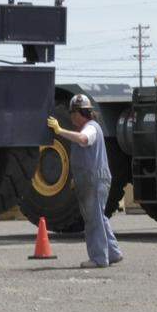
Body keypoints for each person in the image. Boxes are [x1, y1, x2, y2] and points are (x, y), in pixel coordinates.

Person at [47, 94, 123, 268]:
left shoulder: (91, 128)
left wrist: (59, 131)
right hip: (91, 179)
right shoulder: (87, 128)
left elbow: (83, 140)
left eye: (73, 113)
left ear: (80, 113)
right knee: (99, 217)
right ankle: (113, 252)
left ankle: (98, 258)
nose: (71, 117)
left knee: (93, 220)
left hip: (94, 180)